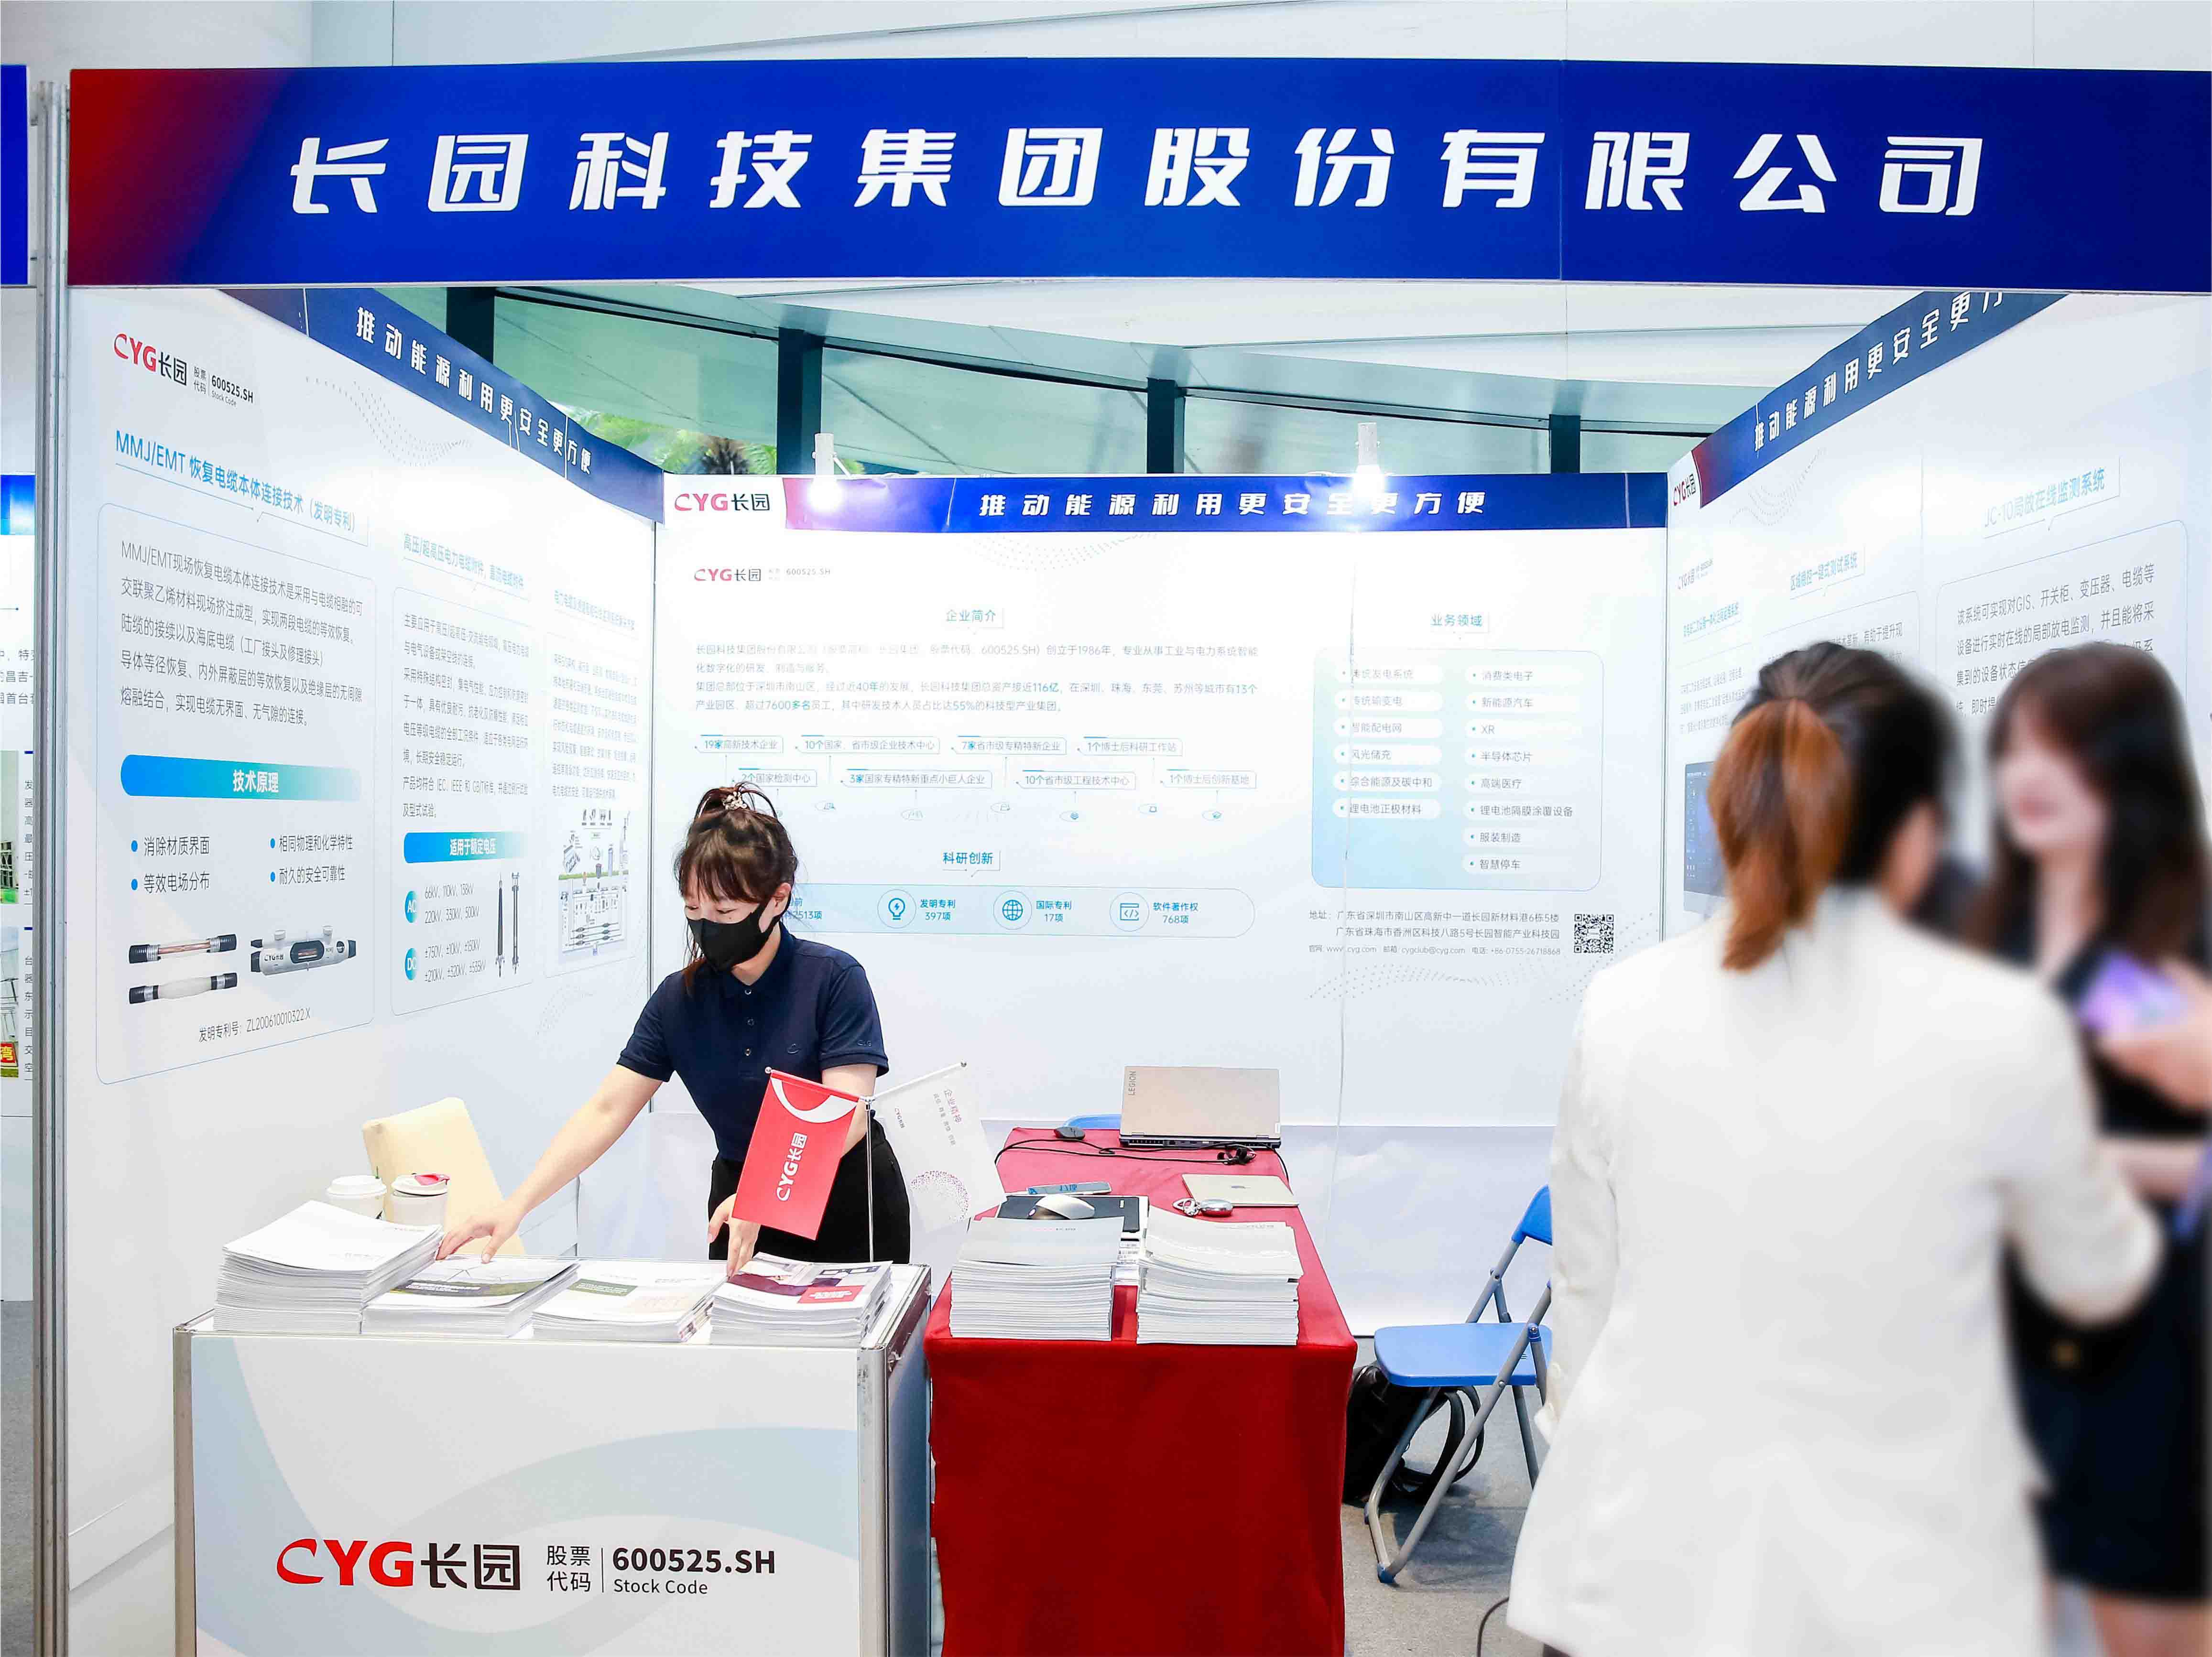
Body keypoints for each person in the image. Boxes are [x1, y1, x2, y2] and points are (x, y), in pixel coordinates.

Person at [1508, 642, 2159, 1657]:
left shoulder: (1623, 1005)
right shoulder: (1998, 1022)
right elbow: (2099, 1285)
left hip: (1642, 1564)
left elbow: (1585, 1289)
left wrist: (1585, 1464)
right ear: (1922, 823)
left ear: (1731, 806)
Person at [1968, 643, 2209, 1656]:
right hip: (1992, 1339)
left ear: (2129, 766)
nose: (2029, 774)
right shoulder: (1991, 929)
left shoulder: (2185, 930)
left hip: (2148, 1347)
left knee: (2143, 1623)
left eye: (2061, 749)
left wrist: (2105, 1163)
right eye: (2016, 747)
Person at [443, 784, 910, 1271]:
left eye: (725, 912)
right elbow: (606, 1110)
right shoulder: (680, 1000)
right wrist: (517, 1205)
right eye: (693, 910)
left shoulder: (833, 979)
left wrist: (764, 1194)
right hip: (736, 1209)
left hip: (844, 1204)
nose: (707, 925)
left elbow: (846, 1114)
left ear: (778, 900)